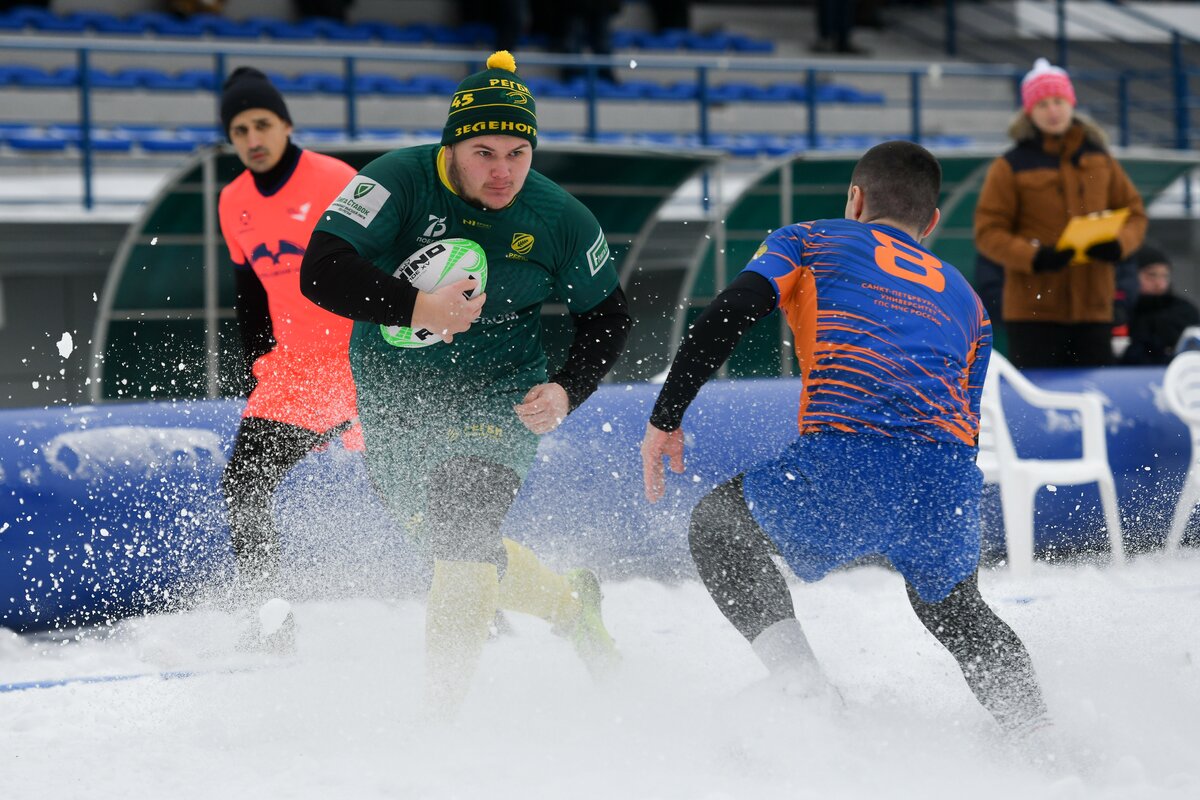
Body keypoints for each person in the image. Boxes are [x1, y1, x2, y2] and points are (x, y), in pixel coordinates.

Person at [641, 141, 1052, 745]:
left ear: (855, 200)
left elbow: (732, 310)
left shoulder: (811, 238)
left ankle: (806, 690)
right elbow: (963, 413)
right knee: (955, 607)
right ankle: (1040, 736)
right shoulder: (969, 300)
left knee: (717, 528)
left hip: (849, 452)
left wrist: (666, 415)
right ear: (931, 222)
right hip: (945, 472)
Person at [300, 51, 632, 715]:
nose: (503, 171)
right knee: (460, 550)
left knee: (461, 527)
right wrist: (418, 307)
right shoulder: (398, 180)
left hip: (499, 396)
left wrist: (567, 387)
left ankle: (439, 720)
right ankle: (573, 606)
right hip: (395, 394)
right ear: (452, 144)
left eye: (518, 152)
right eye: (484, 152)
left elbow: (609, 317)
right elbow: (321, 268)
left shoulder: (559, 218)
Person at [217, 67, 363, 650]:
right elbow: (250, 293)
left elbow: (387, 264)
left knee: (420, 488)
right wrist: (258, 366)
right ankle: (274, 623)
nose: (252, 138)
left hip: (363, 357)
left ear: (286, 125)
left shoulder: (335, 178)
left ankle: (485, 604)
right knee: (242, 484)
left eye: (262, 124)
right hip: (295, 371)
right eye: (239, 130)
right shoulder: (233, 201)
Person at [975, 58, 1147, 369]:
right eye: (1042, 104)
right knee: (1037, 404)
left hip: (1094, 308)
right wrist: (1033, 257)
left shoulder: (1101, 159)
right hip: (1034, 311)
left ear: (1071, 103)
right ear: (1029, 111)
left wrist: (1119, 244)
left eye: (1058, 101)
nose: (1052, 111)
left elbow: (1135, 214)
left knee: (1094, 396)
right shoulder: (1010, 165)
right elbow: (988, 232)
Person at [1120, 244, 1200, 365]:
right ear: (1131, 275)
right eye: (1151, 275)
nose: (1160, 284)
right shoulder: (1118, 312)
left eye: (1165, 276)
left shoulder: (1183, 312)